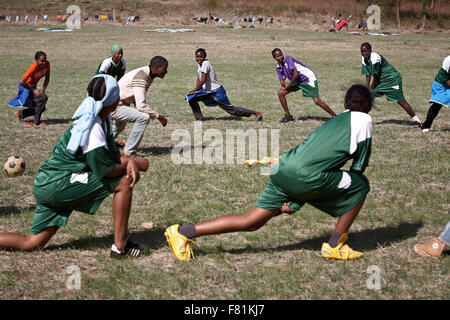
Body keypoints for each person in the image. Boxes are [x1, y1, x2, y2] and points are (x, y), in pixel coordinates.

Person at [165, 84, 374, 261]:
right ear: (369, 106)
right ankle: (334, 245)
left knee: (251, 221)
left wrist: (295, 200)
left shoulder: (334, 121)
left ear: (346, 103)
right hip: (305, 177)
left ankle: (182, 232)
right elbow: (358, 167)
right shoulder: (364, 121)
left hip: (283, 168)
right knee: (360, 184)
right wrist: (303, 197)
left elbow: (311, 161)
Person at [0, 74, 149, 258]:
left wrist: (129, 161)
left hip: (47, 183)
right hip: (59, 183)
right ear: (113, 101)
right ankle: (120, 247)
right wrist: (136, 164)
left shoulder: (98, 119)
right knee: (124, 180)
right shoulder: (93, 127)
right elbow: (106, 171)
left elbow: (112, 157)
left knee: (32, 242)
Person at [112, 56, 169, 157]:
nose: (166, 71)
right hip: (114, 106)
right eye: (164, 69)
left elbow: (135, 97)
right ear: (156, 68)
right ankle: (128, 152)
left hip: (116, 104)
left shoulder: (147, 74)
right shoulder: (142, 76)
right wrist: (159, 117)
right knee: (143, 118)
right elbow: (141, 106)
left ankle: (100, 146)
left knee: (119, 126)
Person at [185, 48, 263, 122]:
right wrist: (195, 90)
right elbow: (199, 78)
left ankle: (256, 113)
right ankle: (199, 118)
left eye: (201, 57)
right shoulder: (200, 64)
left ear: (205, 56)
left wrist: (195, 90)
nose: (199, 59)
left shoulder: (205, 63)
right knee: (191, 98)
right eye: (197, 57)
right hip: (207, 91)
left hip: (216, 91)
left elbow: (203, 79)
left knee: (232, 111)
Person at [360, 42, 422, 125]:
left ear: (370, 50)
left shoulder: (375, 57)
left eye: (365, 51)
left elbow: (376, 76)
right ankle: (361, 121)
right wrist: (367, 89)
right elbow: (368, 75)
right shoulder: (364, 58)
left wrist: (371, 89)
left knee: (401, 101)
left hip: (392, 79)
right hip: (381, 81)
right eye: (362, 52)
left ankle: (418, 121)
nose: (364, 53)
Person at [271, 48, 337, 123]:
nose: (280, 57)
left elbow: (296, 74)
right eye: (277, 56)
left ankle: (335, 116)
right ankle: (288, 116)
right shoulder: (278, 67)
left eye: (281, 55)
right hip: (296, 81)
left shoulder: (288, 59)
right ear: (274, 58)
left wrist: (289, 84)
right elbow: (281, 80)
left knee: (317, 101)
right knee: (280, 93)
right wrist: (284, 84)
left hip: (307, 79)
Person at [9, 51, 50, 127]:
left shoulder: (47, 64)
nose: (44, 62)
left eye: (45, 60)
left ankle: (20, 114)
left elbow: (47, 78)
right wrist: (33, 90)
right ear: (36, 60)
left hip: (33, 86)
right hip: (26, 87)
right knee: (43, 98)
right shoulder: (32, 68)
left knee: (42, 107)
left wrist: (43, 89)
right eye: (42, 61)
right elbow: (22, 82)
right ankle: (36, 122)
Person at [421, 55, 449, 132]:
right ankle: (425, 126)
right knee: (437, 105)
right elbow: (448, 81)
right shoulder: (448, 62)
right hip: (441, 85)